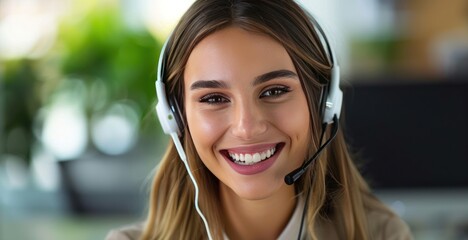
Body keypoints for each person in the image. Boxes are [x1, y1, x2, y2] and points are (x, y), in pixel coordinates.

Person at [107, 0, 412, 239]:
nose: (247, 127)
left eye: (275, 91)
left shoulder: (382, 234)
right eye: (213, 98)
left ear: (323, 103)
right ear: (176, 117)